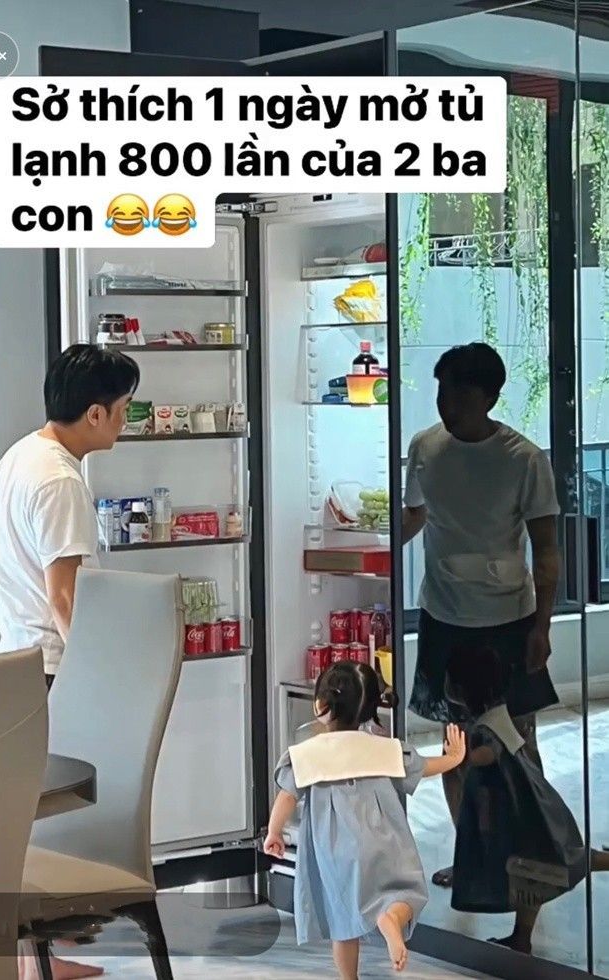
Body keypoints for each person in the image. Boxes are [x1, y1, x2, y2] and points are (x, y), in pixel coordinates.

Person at [0, 343, 139, 980]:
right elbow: (65, 596)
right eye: (123, 407)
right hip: (52, 668)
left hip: (15, 660)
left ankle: (37, 955)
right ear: (95, 413)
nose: (126, 419)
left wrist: (24, 598)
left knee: (26, 811)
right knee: (48, 812)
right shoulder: (63, 481)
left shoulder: (21, 455)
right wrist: (95, 670)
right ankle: (37, 959)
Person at [402, 343, 560, 889]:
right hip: (444, 617)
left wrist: (542, 625)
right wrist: (370, 545)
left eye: (461, 398)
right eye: (442, 393)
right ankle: (471, 856)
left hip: (508, 621)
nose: (447, 406)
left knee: (518, 746)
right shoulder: (425, 447)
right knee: (457, 748)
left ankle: (533, 859)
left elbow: (547, 546)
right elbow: (416, 515)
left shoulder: (524, 459)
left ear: (490, 399)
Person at [263, 661, 466, 977]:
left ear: (320, 705)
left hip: (333, 850)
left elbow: (287, 796)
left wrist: (274, 832)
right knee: (406, 892)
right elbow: (423, 767)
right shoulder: (384, 749)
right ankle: (391, 918)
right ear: (371, 708)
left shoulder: (307, 754)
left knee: (342, 919)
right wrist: (453, 758)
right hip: (385, 841)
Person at [446, 645, 586, 953]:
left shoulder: (484, 727)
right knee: (531, 875)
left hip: (514, 809)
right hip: (520, 804)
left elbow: (489, 752)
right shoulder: (499, 712)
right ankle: (522, 937)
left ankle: (522, 937)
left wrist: (460, 756)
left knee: (555, 863)